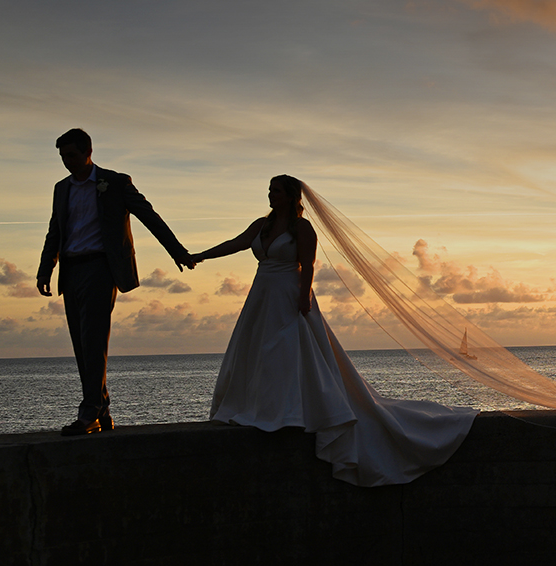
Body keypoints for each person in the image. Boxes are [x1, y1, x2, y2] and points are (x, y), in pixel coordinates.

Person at [190, 175, 479, 486]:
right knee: (257, 352)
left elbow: (309, 265)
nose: (270, 195)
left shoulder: (301, 228)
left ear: (290, 195)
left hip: (289, 295)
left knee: (288, 351)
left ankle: (292, 413)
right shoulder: (261, 224)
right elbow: (235, 244)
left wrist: (303, 298)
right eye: (269, 190)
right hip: (262, 296)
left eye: (275, 190)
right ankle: (262, 409)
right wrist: (199, 255)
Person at [36, 129, 196, 436]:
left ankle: (89, 411)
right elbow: (54, 231)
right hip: (71, 270)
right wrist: (46, 269)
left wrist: (177, 251)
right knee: (81, 344)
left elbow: (150, 217)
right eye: (62, 157)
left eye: (70, 155)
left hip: (101, 267)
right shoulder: (61, 189)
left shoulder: (116, 182)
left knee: (94, 340)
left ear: (87, 152)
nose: (66, 162)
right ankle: (102, 411)